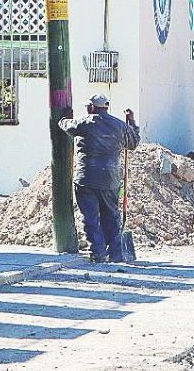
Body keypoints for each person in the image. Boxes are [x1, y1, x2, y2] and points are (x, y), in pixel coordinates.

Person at [59, 95, 140, 263]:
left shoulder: (85, 122)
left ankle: (98, 253)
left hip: (86, 178)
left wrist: (65, 117)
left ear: (92, 107)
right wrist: (131, 122)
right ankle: (116, 254)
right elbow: (133, 143)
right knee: (111, 215)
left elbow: (66, 126)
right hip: (110, 179)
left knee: (90, 218)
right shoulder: (120, 125)